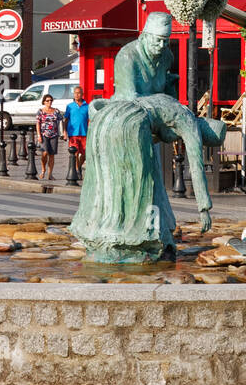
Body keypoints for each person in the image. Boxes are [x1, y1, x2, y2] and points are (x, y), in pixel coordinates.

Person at [70, 94, 226, 263]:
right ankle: (134, 243)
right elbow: (196, 166)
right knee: (139, 185)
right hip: (132, 124)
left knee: (105, 180)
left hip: (106, 119)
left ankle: (99, 233)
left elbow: (110, 102)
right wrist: (204, 209)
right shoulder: (190, 123)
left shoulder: (172, 103)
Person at [35, 94, 65, 180]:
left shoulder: (56, 111)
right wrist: (38, 135)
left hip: (54, 135)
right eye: (47, 100)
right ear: (44, 102)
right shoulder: (40, 111)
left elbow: (62, 120)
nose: (49, 102)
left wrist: (63, 132)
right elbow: (38, 123)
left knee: (52, 155)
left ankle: (50, 174)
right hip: (44, 135)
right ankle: (43, 169)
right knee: (44, 153)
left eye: (51, 100)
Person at [64, 85, 91, 178]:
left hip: (84, 133)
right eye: (75, 93)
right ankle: (76, 171)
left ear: (82, 94)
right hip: (73, 134)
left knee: (85, 154)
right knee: (74, 153)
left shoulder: (87, 106)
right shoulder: (70, 106)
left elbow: (90, 120)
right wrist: (64, 132)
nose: (76, 95)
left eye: (78, 93)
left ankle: (78, 166)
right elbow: (66, 120)